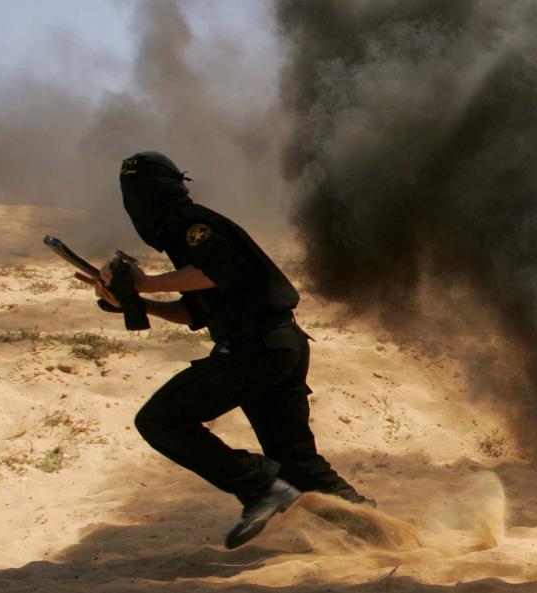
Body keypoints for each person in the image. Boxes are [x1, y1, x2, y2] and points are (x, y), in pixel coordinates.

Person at [75, 151, 369, 550]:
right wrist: (134, 302)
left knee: (161, 420)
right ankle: (383, 532)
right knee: (299, 466)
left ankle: (260, 487)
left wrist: (144, 284)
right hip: (277, 346)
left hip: (258, 349)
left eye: (140, 192)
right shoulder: (184, 241)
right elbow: (194, 311)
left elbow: (214, 272)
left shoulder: (194, 226)